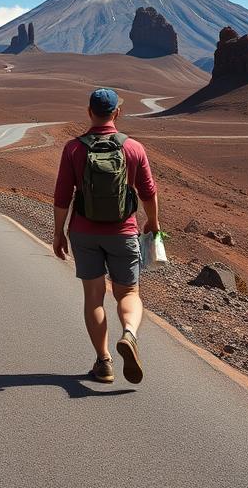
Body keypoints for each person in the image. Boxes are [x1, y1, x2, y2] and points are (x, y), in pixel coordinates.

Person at [52, 88, 160, 384]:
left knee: (94, 296)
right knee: (128, 293)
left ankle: (104, 362)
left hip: (84, 233)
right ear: (117, 113)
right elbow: (149, 191)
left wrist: (58, 232)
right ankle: (129, 334)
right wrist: (154, 222)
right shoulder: (134, 148)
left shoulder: (74, 149)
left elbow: (62, 196)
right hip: (123, 232)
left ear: (89, 112)